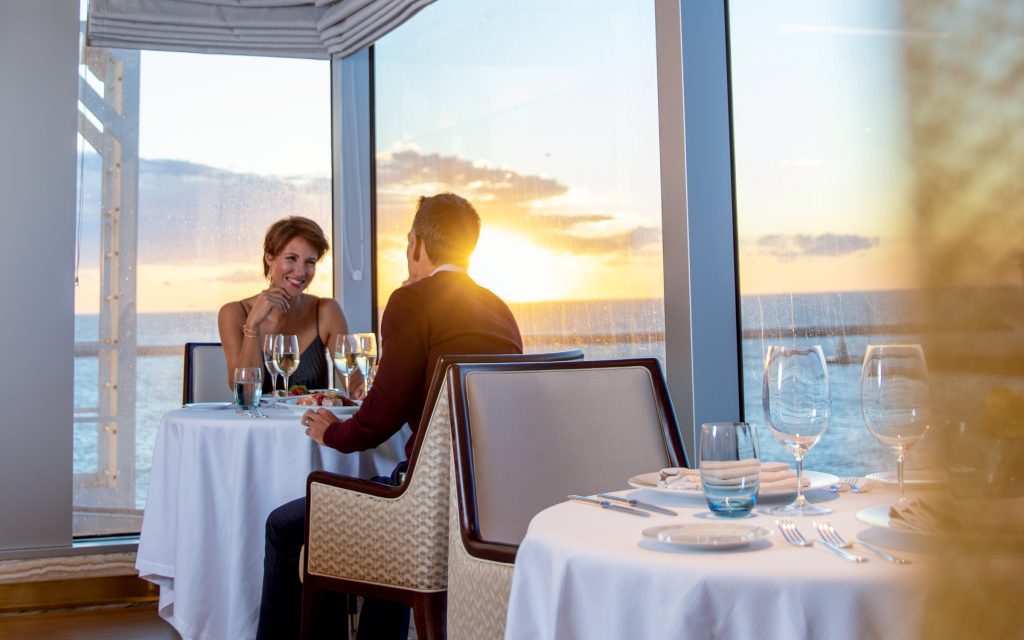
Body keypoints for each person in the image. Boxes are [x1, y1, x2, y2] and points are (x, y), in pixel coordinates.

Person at [256, 193, 523, 640]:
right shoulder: (499, 309)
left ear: (415, 244)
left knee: (284, 528)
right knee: (379, 532)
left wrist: (332, 433)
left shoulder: (411, 300)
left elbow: (379, 420)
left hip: (425, 504)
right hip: (488, 499)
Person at [218, 216, 349, 395]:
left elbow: (356, 386)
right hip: (256, 422)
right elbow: (246, 393)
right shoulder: (234, 313)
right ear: (269, 259)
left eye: (310, 262)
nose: (301, 271)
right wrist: (252, 325)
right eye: (291, 258)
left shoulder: (325, 311)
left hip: (311, 423)